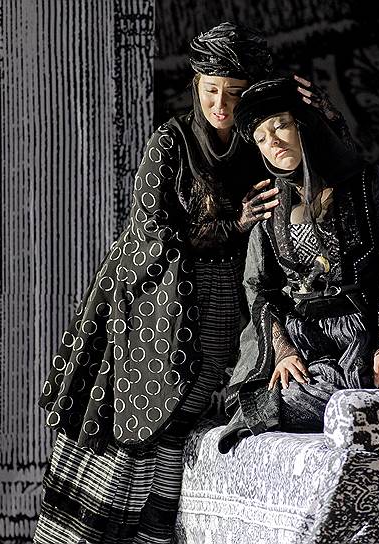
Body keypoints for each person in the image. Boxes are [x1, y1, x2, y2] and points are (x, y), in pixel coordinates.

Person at [33, 23, 280, 544]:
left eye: (234, 93)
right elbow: (149, 234)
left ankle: (152, 534)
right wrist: (232, 225)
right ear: (196, 85)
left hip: (229, 305)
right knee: (141, 427)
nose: (220, 104)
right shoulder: (170, 142)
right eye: (210, 90)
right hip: (156, 311)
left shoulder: (260, 145)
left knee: (183, 428)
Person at [218, 78, 379, 453]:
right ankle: (351, 400)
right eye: (260, 138)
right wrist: (284, 352)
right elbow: (260, 288)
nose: (272, 141)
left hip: (371, 335)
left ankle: (364, 395)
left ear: (304, 125)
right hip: (313, 351)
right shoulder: (270, 204)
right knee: (275, 406)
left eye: (280, 126)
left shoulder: (367, 185)